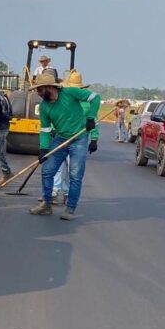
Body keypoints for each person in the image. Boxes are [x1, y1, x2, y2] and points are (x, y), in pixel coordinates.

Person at [27, 73, 101, 220]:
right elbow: (45, 130)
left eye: (40, 90)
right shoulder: (44, 107)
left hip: (78, 139)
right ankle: (46, 204)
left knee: (75, 175)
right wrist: (43, 149)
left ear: (49, 88)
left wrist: (91, 118)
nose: (38, 93)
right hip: (60, 139)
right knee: (47, 171)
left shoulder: (70, 93)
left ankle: (70, 208)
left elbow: (95, 98)